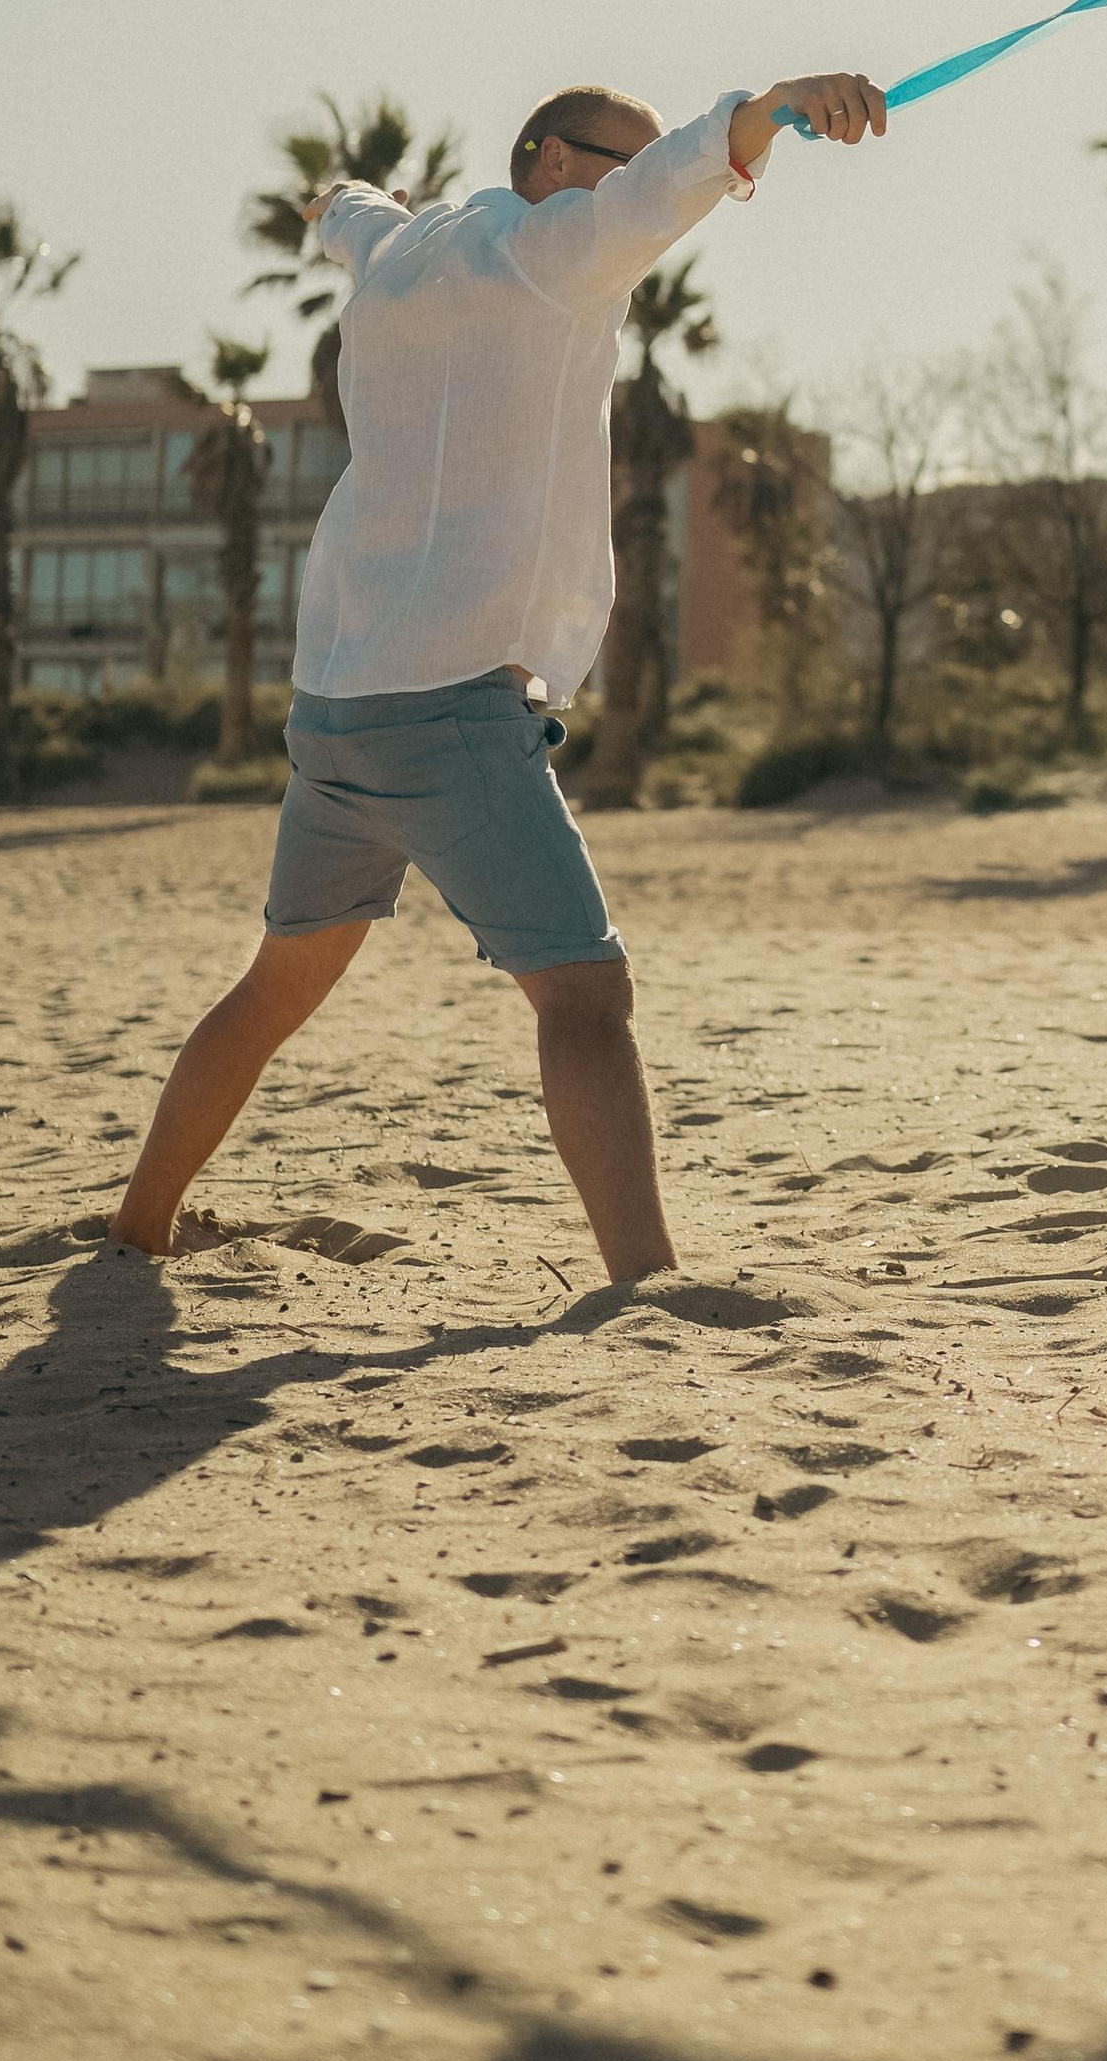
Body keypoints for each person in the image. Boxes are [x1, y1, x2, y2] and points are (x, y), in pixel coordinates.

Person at [108, 71, 885, 1282]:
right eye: (613, 167)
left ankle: (137, 1226)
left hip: (337, 706)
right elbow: (689, 163)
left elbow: (347, 205)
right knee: (587, 997)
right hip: (452, 707)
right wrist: (780, 105)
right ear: (559, 162)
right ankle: (644, 1285)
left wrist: (339, 197)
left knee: (273, 988)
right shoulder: (554, 250)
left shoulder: (403, 250)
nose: (633, 190)